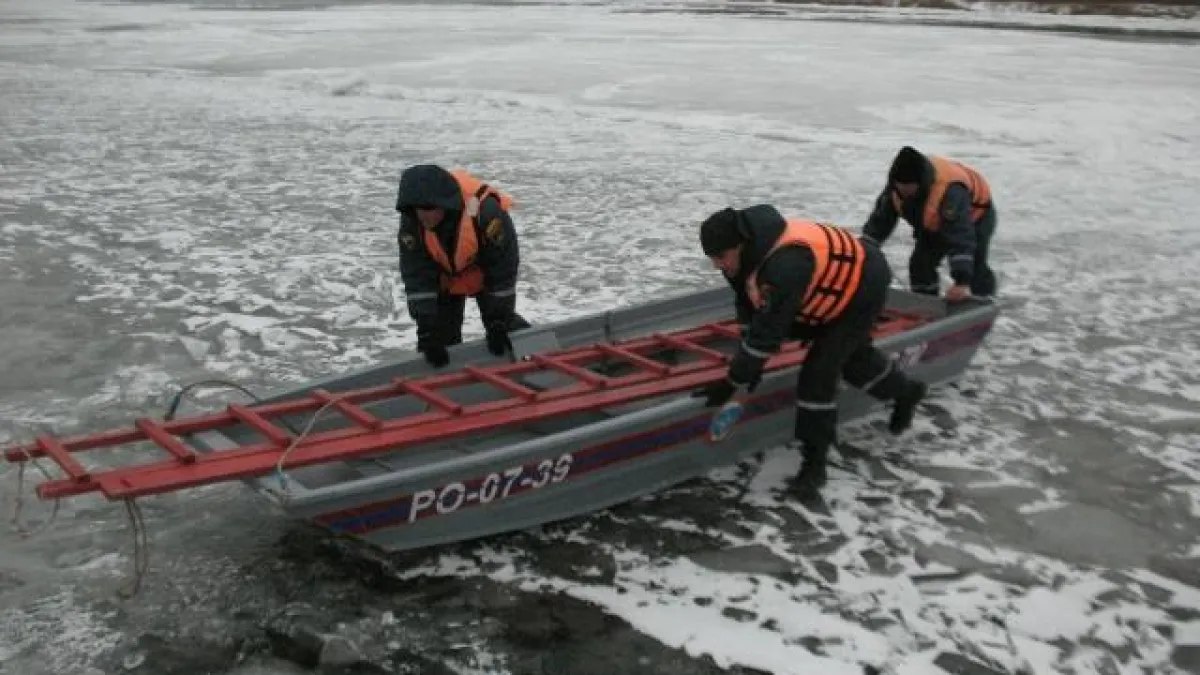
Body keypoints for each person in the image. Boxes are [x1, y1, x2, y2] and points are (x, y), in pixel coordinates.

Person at [694, 205, 928, 499]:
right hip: (822, 289)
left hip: (862, 287)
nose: (717, 266)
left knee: (819, 374)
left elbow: (769, 331)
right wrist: (747, 366)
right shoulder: (741, 259)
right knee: (852, 358)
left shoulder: (785, 265)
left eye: (721, 257)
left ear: (740, 245)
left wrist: (735, 380)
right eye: (711, 260)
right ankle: (906, 392)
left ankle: (814, 465)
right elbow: (748, 306)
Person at [395, 164, 529, 368]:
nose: (424, 216)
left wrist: (497, 320)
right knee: (438, 340)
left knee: (506, 329)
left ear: (444, 204)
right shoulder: (412, 222)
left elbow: (502, 270)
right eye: (419, 210)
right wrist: (426, 328)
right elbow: (417, 276)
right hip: (447, 276)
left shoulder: (487, 213)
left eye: (430, 209)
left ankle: (534, 363)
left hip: (483, 273)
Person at [861, 146, 997, 302]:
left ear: (921, 183)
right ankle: (926, 303)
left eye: (909, 190)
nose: (904, 194)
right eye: (901, 189)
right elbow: (880, 222)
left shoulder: (950, 192)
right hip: (932, 220)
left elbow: (960, 236)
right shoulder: (895, 188)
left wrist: (961, 281)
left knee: (975, 266)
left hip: (976, 217)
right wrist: (865, 251)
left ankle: (984, 303)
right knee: (920, 264)